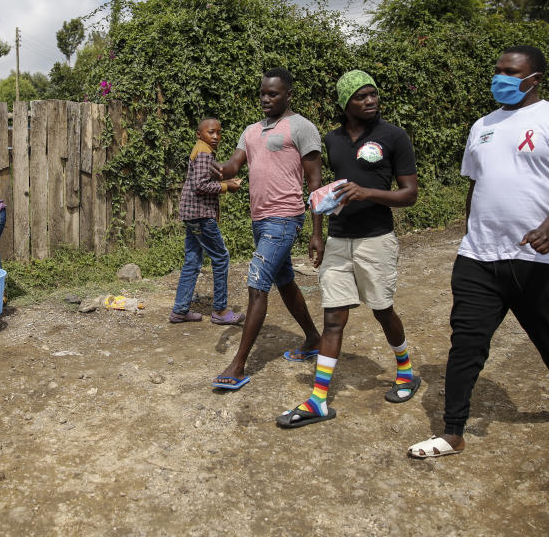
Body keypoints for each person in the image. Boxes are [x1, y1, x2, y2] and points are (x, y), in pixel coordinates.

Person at [408, 45, 549, 459]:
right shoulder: (482, 125)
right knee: (466, 342)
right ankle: (452, 431)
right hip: (478, 256)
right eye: (497, 70)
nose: (500, 77)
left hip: (538, 258)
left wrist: (548, 228)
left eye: (511, 71)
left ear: (535, 78)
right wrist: (471, 232)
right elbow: (476, 185)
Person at [276, 70, 420, 429]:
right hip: (339, 240)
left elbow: (410, 194)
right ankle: (318, 400)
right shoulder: (333, 140)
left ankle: (405, 371)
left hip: (376, 240)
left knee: (383, 310)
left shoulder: (393, 136)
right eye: (361, 96)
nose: (371, 101)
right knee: (333, 318)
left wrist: (368, 192)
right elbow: (329, 192)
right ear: (345, 103)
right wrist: (318, 233)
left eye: (373, 95)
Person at [211, 67, 324, 390]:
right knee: (285, 281)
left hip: (286, 217)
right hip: (259, 220)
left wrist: (317, 232)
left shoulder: (301, 128)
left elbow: (315, 182)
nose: (265, 99)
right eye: (262, 93)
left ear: (288, 95)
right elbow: (234, 165)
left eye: (273, 94)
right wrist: (216, 168)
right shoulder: (250, 131)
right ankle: (313, 337)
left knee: (257, 282)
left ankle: (238, 364)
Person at [170, 117, 244, 325]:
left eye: (218, 133)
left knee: (193, 260)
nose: (216, 137)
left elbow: (200, 182)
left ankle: (180, 310)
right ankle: (220, 311)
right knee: (221, 257)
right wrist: (227, 187)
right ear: (199, 134)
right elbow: (200, 186)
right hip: (201, 214)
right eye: (211, 132)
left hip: (191, 213)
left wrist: (224, 182)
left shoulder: (200, 149)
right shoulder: (203, 152)